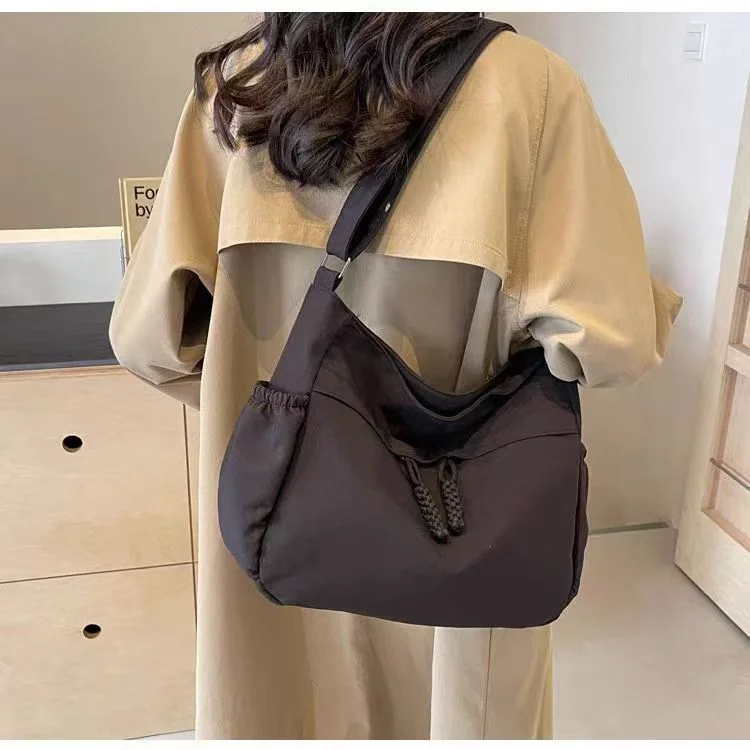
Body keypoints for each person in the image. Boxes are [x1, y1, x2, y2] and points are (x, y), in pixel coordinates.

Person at [110, 12, 681, 740]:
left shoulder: (236, 91)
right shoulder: (532, 88)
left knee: (276, 704)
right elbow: (612, 346)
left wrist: (272, 410)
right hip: (459, 545)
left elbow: (151, 342)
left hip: (277, 538)